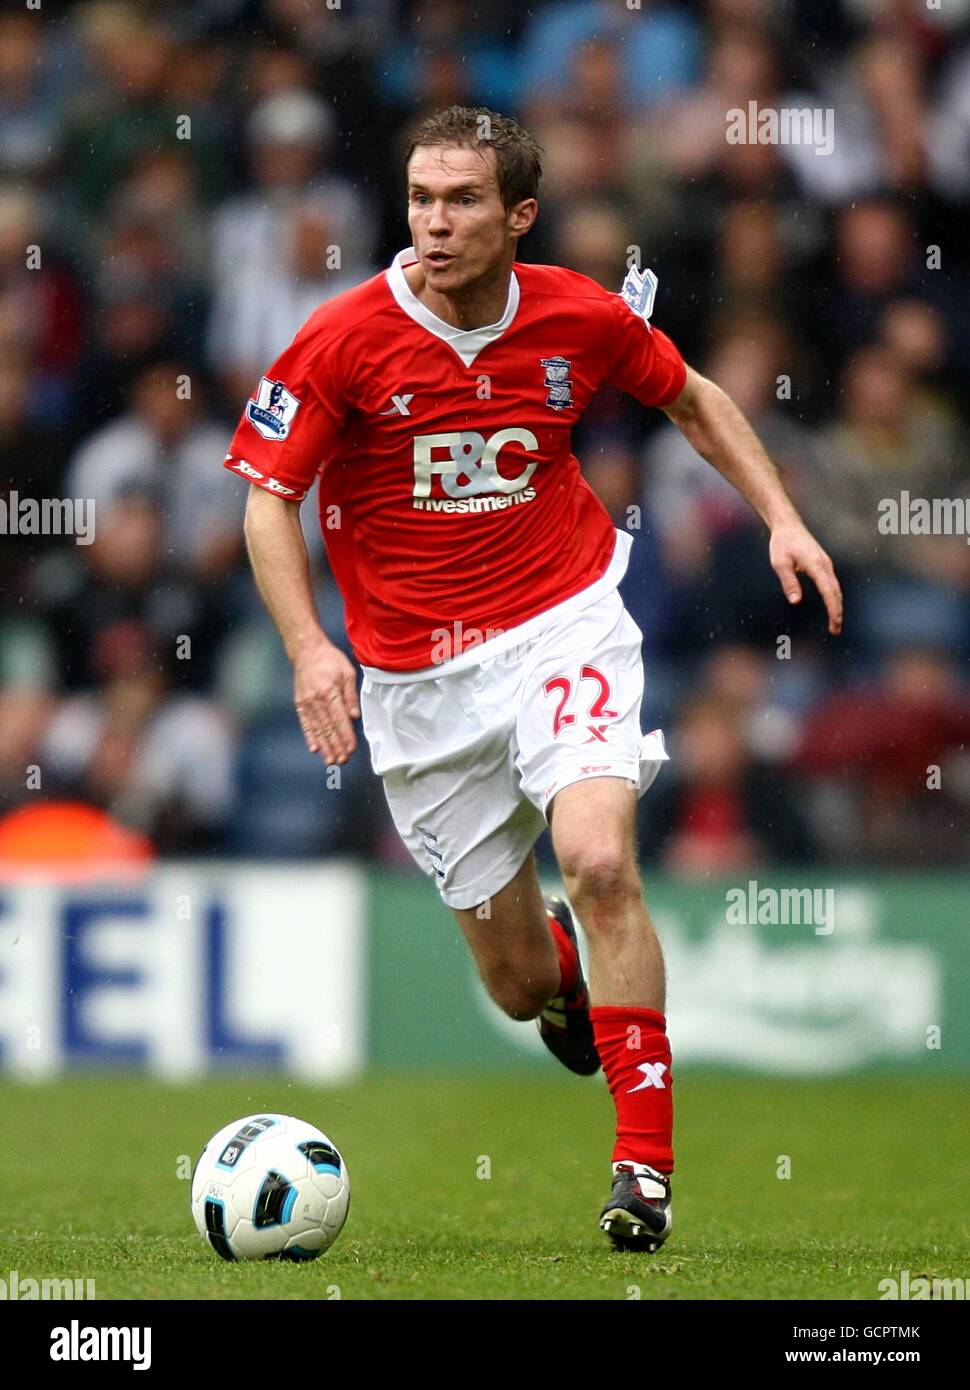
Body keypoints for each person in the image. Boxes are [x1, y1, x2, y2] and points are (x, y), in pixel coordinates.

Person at [224, 106, 842, 1252]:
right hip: (415, 681)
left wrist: (783, 521)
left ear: (518, 215)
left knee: (601, 859)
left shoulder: (577, 314)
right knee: (513, 986)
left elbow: (692, 396)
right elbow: (269, 495)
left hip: (562, 618)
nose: (434, 222)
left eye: (461, 201)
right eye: (419, 198)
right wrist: (313, 648)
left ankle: (642, 1170)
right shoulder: (341, 338)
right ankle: (562, 971)